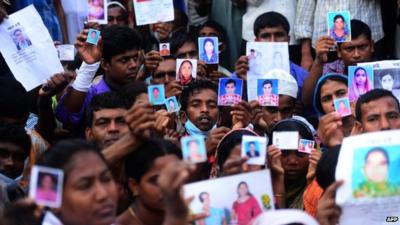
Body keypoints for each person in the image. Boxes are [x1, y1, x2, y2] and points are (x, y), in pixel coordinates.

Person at [56, 25, 143, 136]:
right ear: (105, 64)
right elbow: (67, 115)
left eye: (135, 58)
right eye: (124, 60)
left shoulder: (144, 93)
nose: (133, 65)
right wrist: (89, 66)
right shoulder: (90, 94)